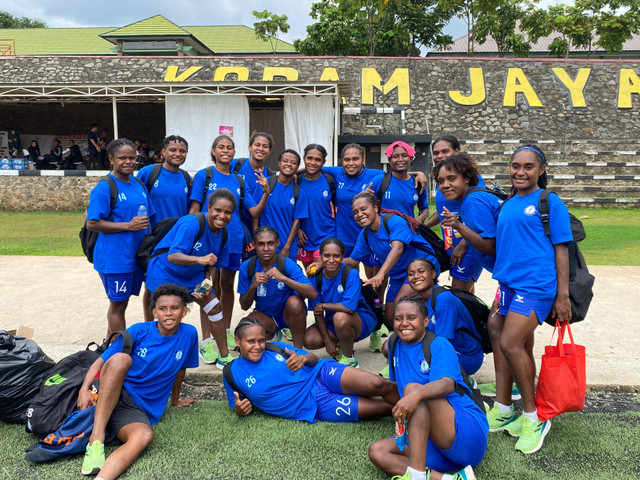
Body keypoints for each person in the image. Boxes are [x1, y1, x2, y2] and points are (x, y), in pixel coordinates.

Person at [488, 144, 572, 454]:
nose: (520, 172)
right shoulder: (509, 202)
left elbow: (562, 249)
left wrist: (561, 296)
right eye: (515, 166)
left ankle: (533, 417)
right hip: (509, 285)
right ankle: (503, 407)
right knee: (499, 331)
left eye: (528, 167)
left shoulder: (549, 202)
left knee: (510, 342)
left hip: (536, 286)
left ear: (541, 170)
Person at [77, 284, 198, 480]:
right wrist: (84, 389)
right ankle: (96, 439)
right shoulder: (139, 330)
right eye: (162, 309)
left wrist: (175, 400)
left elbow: (180, 369)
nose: (168, 313)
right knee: (121, 359)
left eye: (174, 308)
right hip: (114, 389)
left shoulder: (189, 334)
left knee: (144, 436)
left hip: (136, 409)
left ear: (184, 311)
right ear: (154, 312)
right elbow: (101, 360)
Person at [368, 295, 488, 480]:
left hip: (465, 432)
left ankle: (416, 474)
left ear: (425, 321)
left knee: (413, 390)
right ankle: (450, 479)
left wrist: (414, 395)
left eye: (411, 318)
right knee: (377, 451)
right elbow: (395, 388)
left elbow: (447, 384)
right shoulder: (394, 345)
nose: (404, 323)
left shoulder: (439, 344)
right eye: (399, 319)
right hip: (431, 440)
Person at [224, 317, 397, 423]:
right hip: (313, 404)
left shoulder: (273, 347)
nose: (258, 346)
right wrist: (240, 411)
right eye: (251, 341)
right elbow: (239, 406)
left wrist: (303, 358)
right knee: (383, 408)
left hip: (321, 374)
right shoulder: (231, 373)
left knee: (378, 384)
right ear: (238, 341)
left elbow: (314, 359)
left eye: (261, 340)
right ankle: (420, 415)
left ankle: (417, 399)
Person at [189, 135, 269, 358]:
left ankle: (222, 329)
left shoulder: (239, 180)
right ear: (213, 150)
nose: (226, 150)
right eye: (221, 147)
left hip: (232, 240)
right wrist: (190, 238)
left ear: (235, 152)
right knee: (207, 287)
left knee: (227, 284)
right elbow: (195, 210)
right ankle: (206, 340)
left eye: (230, 147)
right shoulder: (204, 176)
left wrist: (265, 192)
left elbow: (254, 212)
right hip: (207, 241)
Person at [146, 188, 233, 369]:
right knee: (170, 312)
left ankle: (224, 357)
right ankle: (156, 353)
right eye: (218, 210)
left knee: (215, 306)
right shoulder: (191, 224)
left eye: (227, 212)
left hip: (192, 276)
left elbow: (213, 265)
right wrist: (199, 259)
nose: (222, 216)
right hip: (165, 272)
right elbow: (173, 256)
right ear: (208, 207)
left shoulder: (224, 234)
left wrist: (207, 283)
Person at [86, 138, 155, 338]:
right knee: (118, 305)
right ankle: (118, 353)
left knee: (124, 302)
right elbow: (92, 223)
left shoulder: (138, 184)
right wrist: (128, 226)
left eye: (132, 158)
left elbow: (149, 218)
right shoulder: (105, 186)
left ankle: (108, 348)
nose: (128, 162)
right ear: (111, 159)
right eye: (122, 158)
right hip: (115, 258)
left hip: (137, 256)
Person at [346, 192, 440, 323]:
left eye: (363, 209)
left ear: (375, 208)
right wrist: (325, 262)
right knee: (391, 318)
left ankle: (431, 321)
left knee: (401, 308)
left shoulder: (394, 221)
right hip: (398, 275)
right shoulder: (365, 235)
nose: (359, 214)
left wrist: (380, 274)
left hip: (419, 269)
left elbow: (397, 248)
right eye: (355, 212)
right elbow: (352, 260)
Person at [237, 226, 317, 348]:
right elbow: (244, 305)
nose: (266, 248)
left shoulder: (286, 264)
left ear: (277, 243)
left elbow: (312, 294)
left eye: (270, 244)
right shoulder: (247, 267)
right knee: (247, 326)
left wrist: (283, 278)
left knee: (295, 302)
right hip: (267, 316)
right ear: (254, 245)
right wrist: (253, 285)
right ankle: (272, 334)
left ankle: (298, 351)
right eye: (261, 244)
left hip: (288, 315)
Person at [305, 238, 378, 368]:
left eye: (336, 256)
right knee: (309, 340)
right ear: (320, 256)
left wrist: (324, 305)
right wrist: (328, 341)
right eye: (327, 256)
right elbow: (318, 312)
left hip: (361, 318)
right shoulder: (316, 277)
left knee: (340, 317)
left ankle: (350, 358)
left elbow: (349, 308)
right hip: (334, 320)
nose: (331, 260)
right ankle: (340, 343)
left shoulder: (350, 273)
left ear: (342, 256)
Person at [425, 135, 484, 293]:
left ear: (457, 151)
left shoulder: (472, 180)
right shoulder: (443, 180)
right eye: (436, 153)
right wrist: (423, 226)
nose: (440, 156)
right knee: (467, 294)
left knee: (458, 294)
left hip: (469, 244)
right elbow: (443, 212)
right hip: (452, 242)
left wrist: (463, 246)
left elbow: (478, 217)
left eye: (445, 151)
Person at [406, 258, 484, 376]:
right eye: (411, 274)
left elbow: (442, 343)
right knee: (393, 348)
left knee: (414, 370)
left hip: (464, 356)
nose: (416, 276)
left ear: (433, 274)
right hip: (443, 348)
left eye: (421, 271)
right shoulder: (419, 299)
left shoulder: (443, 300)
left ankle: (462, 382)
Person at [259, 149, 309, 261]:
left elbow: (296, 222)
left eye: (293, 162)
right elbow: (255, 213)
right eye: (285, 161)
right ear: (279, 163)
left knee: (285, 277)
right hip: (264, 244)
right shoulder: (265, 184)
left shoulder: (299, 192)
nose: (288, 164)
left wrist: (287, 247)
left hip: (287, 245)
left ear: (297, 167)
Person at [296, 143, 337, 270]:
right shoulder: (296, 181)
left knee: (318, 274)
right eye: (309, 158)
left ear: (323, 162)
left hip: (325, 235)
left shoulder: (330, 180)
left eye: (318, 159)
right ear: (304, 159)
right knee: (310, 277)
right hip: (304, 238)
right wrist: (297, 229)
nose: (313, 162)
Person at [137, 135, 191, 228]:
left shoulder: (187, 178)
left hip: (177, 236)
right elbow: (135, 202)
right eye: (172, 150)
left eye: (182, 151)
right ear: (163, 152)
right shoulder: (148, 172)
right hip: (153, 235)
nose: (178, 154)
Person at [369, 141, 430, 222]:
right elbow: (362, 201)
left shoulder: (417, 183)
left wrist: (421, 218)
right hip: (384, 232)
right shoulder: (379, 181)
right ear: (389, 160)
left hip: (408, 231)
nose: (400, 159)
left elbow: (425, 208)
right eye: (395, 156)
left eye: (405, 156)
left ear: (411, 158)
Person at [230, 132, 275, 231]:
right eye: (257, 145)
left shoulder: (271, 176)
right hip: (231, 223)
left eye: (265, 146)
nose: (261, 149)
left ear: (269, 151)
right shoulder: (236, 165)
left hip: (255, 228)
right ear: (250, 147)